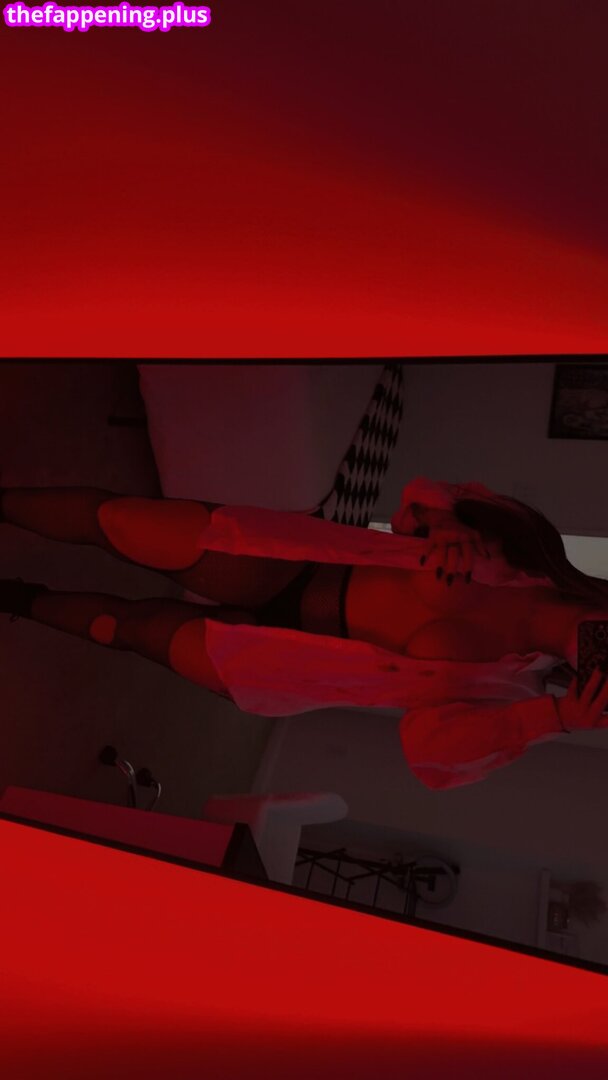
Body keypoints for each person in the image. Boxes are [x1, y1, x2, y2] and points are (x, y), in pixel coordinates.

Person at [1, 477, 608, 791]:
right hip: (293, 560)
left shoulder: (518, 697)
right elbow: (427, 492)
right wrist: (445, 519)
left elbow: (428, 755)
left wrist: (553, 720)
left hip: (278, 665)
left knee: (127, 629)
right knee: (121, 521)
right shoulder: (531, 546)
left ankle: (18, 599)